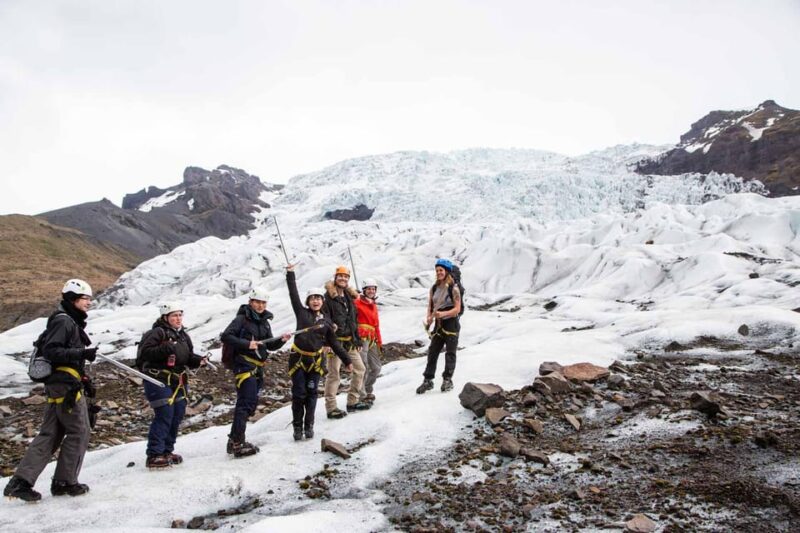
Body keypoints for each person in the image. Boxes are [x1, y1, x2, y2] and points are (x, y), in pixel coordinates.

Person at [4, 279, 97, 501]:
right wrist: (81, 354)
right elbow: (52, 351)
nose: (88, 303)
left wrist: (83, 377)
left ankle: (21, 482)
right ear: (73, 299)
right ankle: (64, 482)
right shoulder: (64, 322)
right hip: (65, 387)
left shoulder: (65, 320)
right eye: (85, 299)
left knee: (51, 433)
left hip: (59, 384)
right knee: (79, 431)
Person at [221, 288, 291, 457]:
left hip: (257, 367)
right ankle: (237, 443)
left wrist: (281, 340)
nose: (260, 306)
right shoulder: (241, 319)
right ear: (250, 302)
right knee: (245, 403)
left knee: (249, 404)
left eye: (263, 303)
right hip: (244, 365)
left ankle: (234, 440)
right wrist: (247, 344)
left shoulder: (264, 322)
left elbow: (269, 345)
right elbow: (226, 336)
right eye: (257, 302)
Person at [286, 265, 352, 440]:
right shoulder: (301, 313)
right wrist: (290, 274)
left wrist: (347, 360)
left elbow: (334, 343)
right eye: (312, 298)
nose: (315, 301)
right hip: (298, 360)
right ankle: (297, 427)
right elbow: (293, 294)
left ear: (322, 302)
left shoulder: (326, 321)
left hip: (315, 362)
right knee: (299, 394)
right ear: (308, 301)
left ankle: (309, 426)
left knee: (312, 394)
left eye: (318, 298)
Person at [137, 303, 205, 469]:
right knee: (165, 414)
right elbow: (145, 353)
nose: (178, 318)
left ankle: (167, 451)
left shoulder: (182, 336)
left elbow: (187, 356)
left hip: (177, 381)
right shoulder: (157, 333)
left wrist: (198, 360)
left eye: (180, 315)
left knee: (177, 414)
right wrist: (165, 348)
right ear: (165, 317)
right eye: (174, 315)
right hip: (158, 380)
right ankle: (154, 454)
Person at [322, 266, 369, 418]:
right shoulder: (328, 298)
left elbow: (353, 320)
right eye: (340, 276)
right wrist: (326, 343)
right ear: (335, 278)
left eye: (346, 277)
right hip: (334, 342)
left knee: (360, 369)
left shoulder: (349, 297)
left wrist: (357, 340)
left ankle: (352, 401)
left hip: (349, 341)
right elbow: (325, 320)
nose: (343, 279)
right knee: (334, 374)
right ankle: (331, 408)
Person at [417, 259, 462, 394]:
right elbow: (431, 305)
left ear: (446, 271)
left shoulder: (454, 288)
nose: (438, 273)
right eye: (437, 270)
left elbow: (457, 309)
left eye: (441, 270)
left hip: (451, 324)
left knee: (450, 353)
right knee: (433, 352)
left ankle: (447, 380)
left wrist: (442, 314)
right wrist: (429, 318)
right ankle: (428, 380)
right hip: (438, 323)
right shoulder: (434, 288)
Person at [355, 278, 383, 405]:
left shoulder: (373, 305)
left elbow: (376, 325)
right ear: (364, 290)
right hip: (361, 337)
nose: (371, 291)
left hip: (372, 338)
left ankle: (367, 388)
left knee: (376, 367)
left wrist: (379, 342)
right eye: (369, 289)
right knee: (363, 366)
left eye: (373, 289)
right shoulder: (357, 302)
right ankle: (362, 395)